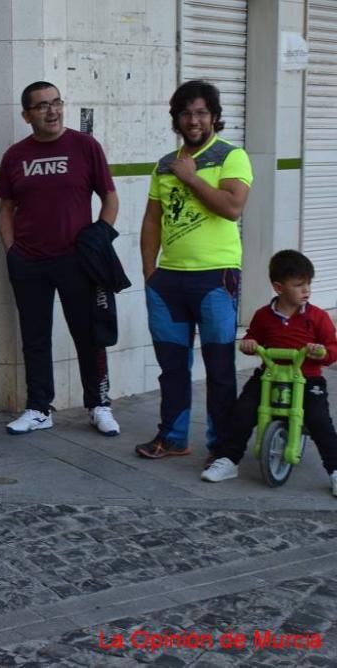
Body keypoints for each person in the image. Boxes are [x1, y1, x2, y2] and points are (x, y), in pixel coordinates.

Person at [0, 81, 121, 436]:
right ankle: (38, 408)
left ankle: (99, 405)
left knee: (89, 335)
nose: (52, 111)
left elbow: (110, 198)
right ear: (27, 115)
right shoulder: (15, 156)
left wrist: (100, 236)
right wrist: (12, 251)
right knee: (35, 337)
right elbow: (5, 209)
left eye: (56, 103)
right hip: (29, 262)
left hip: (76, 261)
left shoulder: (85, 146)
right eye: (41, 106)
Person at [136, 80, 253, 461]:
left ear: (215, 117)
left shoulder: (232, 156)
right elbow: (152, 221)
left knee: (219, 368)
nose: (194, 120)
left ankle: (222, 447)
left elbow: (233, 207)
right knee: (172, 367)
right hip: (168, 280)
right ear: (177, 119)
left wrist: (191, 177)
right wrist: (150, 273)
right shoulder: (164, 165)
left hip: (215, 277)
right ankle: (172, 438)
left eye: (202, 112)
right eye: (186, 113)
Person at [202, 250, 337, 496]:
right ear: (278, 287)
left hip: (306, 377)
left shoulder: (317, 317)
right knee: (242, 412)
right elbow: (253, 337)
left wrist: (322, 352)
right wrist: (249, 343)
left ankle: (335, 469)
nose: (306, 290)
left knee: (319, 420)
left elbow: (332, 348)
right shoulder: (264, 316)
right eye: (298, 285)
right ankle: (228, 459)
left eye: (308, 283)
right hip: (269, 375)